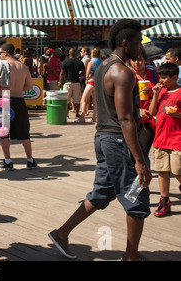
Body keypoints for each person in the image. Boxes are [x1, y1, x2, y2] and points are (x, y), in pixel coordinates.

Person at [48, 19, 152, 261]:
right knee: (136, 200)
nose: (141, 48)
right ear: (126, 43)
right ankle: (131, 257)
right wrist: (140, 160)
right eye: (138, 43)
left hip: (103, 138)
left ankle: (61, 234)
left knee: (101, 193)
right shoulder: (122, 72)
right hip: (119, 141)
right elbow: (126, 119)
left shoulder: (103, 66)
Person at [0, 43, 36, 171]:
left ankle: (8, 161)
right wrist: (18, 88)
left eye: (0, 52)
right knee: (24, 132)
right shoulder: (23, 66)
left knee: (4, 132)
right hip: (20, 101)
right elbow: (29, 85)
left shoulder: (1, 65)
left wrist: (3, 90)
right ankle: (30, 160)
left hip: (5, 100)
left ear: (5, 53)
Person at [148, 63, 181, 217]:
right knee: (162, 171)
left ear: (174, 77)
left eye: (164, 77)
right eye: (159, 77)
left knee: (178, 170)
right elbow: (152, 112)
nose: (160, 80)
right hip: (161, 138)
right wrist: (155, 94)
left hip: (177, 139)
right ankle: (164, 201)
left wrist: (177, 115)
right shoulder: (161, 92)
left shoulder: (180, 92)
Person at [130, 52, 159, 155]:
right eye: (134, 60)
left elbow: (163, 92)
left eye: (140, 60)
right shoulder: (128, 75)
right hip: (132, 119)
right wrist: (137, 110)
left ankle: (142, 170)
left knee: (143, 151)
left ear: (145, 61)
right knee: (131, 152)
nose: (136, 63)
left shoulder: (154, 75)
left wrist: (152, 93)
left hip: (150, 120)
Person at [77, 48, 102, 123]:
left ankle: (82, 117)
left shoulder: (91, 62)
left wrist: (87, 79)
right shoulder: (102, 62)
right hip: (98, 83)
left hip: (91, 82)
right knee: (95, 101)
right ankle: (94, 117)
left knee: (84, 99)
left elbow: (87, 74)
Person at [59, 48, 84, 117]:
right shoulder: (79, 62)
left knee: (67, 100)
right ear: (76, 53)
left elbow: (62, 73)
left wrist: (60, 82)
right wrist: (79, 75)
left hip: (67, 82)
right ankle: (77, 113)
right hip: (76, 82)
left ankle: (66, 113)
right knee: (77, 100)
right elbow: (83, 72)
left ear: (69, 53)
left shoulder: (65, 62)